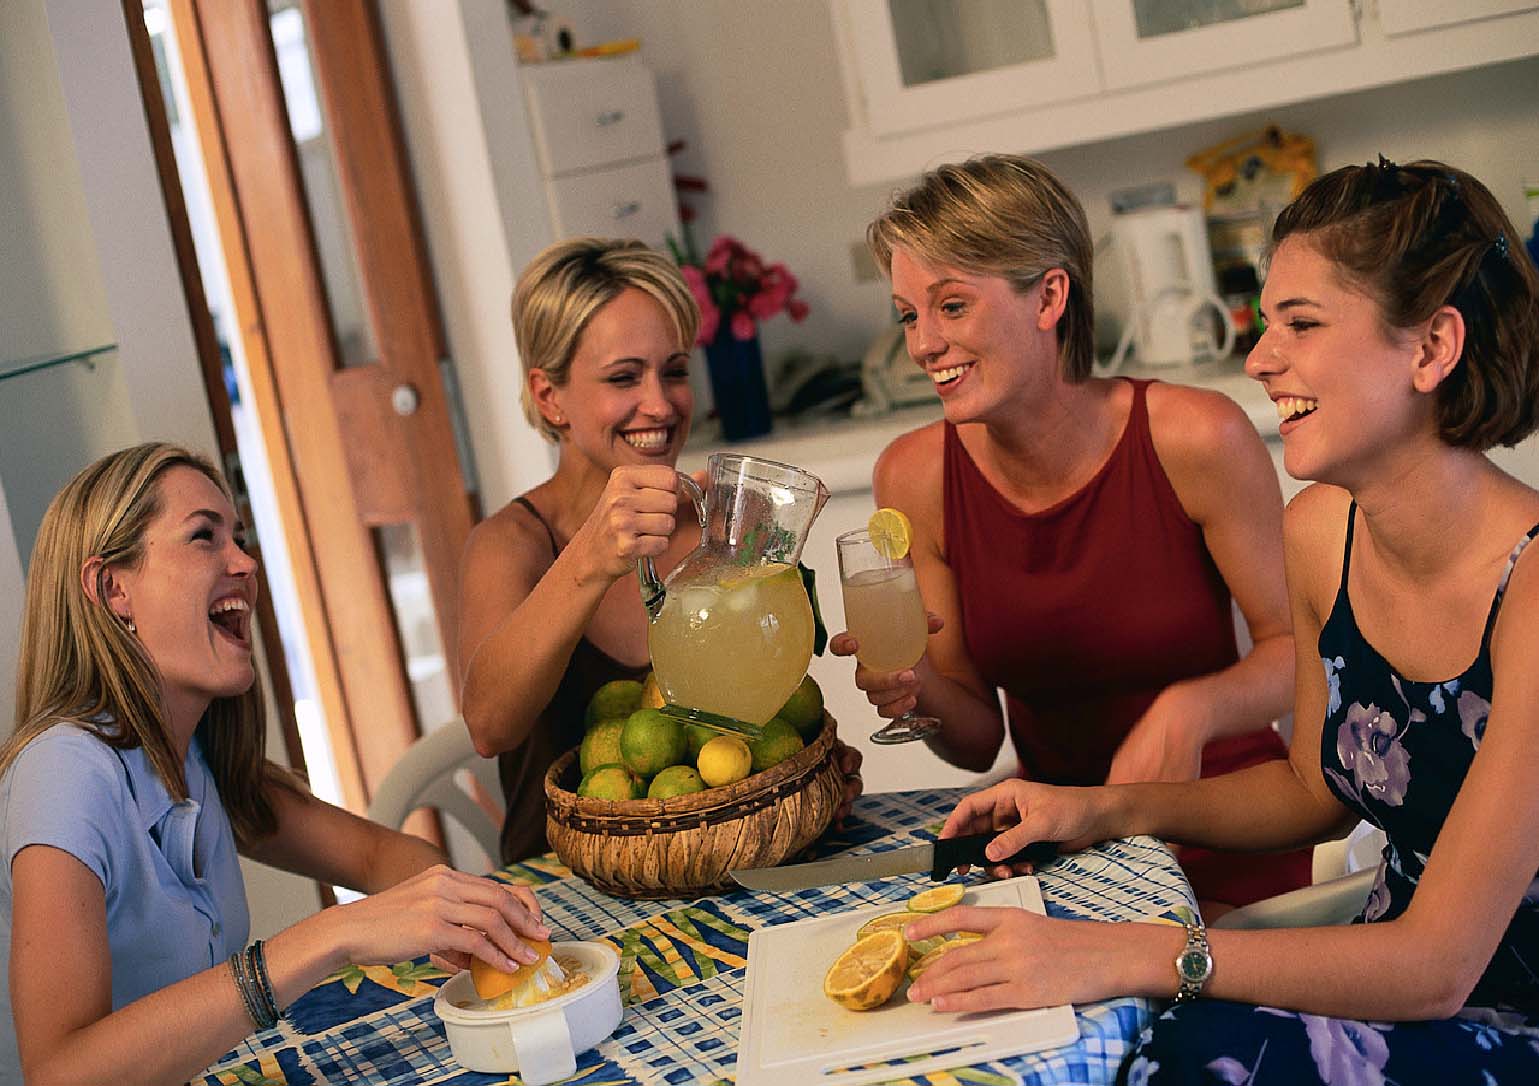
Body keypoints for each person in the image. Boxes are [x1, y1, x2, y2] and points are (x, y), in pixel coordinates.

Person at [901, 158, 1539, 1084]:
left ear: (1431, 347)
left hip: (1496, 1008)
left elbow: (1437, 967)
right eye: (1265, 319)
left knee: (1165, 1048)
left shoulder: (1531, 589)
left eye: (1303, 324)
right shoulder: (1323, 531)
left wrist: (1139, 952)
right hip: (1390, 977)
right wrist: (1101, 809)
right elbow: (1311, 788)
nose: (1258, 358)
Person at [833, 154, 1307, 908]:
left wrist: (1192, 707)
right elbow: (976, 740)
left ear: (1049, 295)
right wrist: (913, 683)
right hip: (1061, 856)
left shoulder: (1194, 437)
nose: (921, 344)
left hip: (1225, 833)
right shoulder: (914, 477)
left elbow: (1298, 650)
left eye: (950, 306)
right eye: (907, 314)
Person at [0, 443, 550, 1085]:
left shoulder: (197, 757)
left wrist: (468, 910)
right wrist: (332, 936)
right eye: (204, 537)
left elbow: (377, 859)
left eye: (239, 537)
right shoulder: (64, 773)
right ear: (112, 588)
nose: (244, 562)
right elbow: (58, 1073)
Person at [458, 237, 861, 863]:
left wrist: (808, 773)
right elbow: (489, 725)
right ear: (549, 397)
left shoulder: (720, 526)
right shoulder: (511, 544)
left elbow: (770, 713)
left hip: (731, 875)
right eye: (624, 377)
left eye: (674, 371)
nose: (661, 403)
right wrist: (591, 556)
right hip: (563, 904)